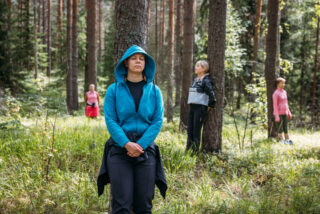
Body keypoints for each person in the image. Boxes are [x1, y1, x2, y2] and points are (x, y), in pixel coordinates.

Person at [98, 45, 167, 214]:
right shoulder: (113, 90)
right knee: (121, 204)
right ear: (126, 63)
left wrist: (140, 145)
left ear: (146, 63)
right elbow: (111, 120)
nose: (138, 61)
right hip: (119, 150)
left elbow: (157, 121)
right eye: (134, 58)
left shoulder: (155, 91)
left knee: (144, 204)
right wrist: (126, 143)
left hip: (146, 150)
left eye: (142, 58)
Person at [186, 60, 216, 152]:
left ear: (204, 69)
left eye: (198, 66)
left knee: (196, 131)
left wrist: (210, 106)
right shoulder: (196, 79)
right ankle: (188, 151)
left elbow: (212, 96)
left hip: (200, 108)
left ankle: (194, 152)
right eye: (196, 65)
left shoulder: (206, 80)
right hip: (192, 107)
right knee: (190, 129)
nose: (196, 67)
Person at [273, 77, 293, 145]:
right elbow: (275, 105)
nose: (283, 84)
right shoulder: (276, 93)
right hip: (279, 114)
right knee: (280, 128)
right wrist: (276, 116)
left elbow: (286, 103)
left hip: (285, 113)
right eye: (282, 83)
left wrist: (289, 112)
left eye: (284, 83)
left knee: (286, 128)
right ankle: (281, 142)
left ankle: (287, 141)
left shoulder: (284, 92)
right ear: (278, 84)